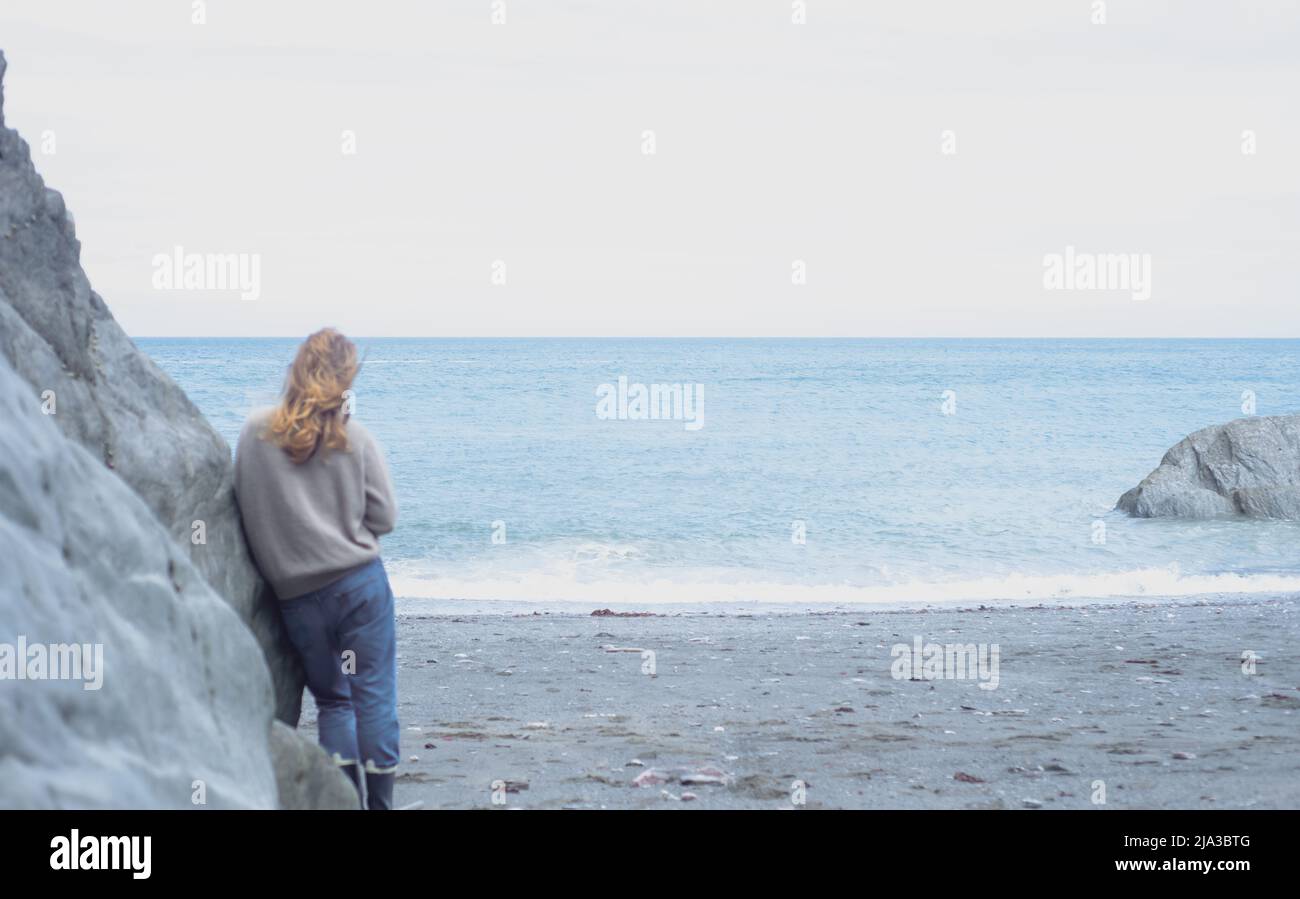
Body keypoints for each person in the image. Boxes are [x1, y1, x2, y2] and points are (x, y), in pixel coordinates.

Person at [234, 327, 400, 809]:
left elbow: (249, 502)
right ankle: (380, 806)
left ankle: (341, 801)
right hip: (359, 587)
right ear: (344, 378)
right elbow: (384, 518)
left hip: (298, 599)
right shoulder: (354, 437)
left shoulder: (255, 431)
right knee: (374, 697)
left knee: (335, 701)